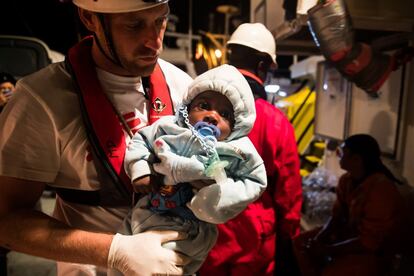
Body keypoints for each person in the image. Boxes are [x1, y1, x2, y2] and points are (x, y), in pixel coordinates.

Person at [0, 0, 195, 275]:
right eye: (134, 25)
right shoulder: (40, 100)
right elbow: (6, 220)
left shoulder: (183, 88)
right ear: (90, 18)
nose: (155, 42)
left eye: (160, 21)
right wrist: (115, 252)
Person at [111, 64, 267, 275]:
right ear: (188, 107)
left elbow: (255, 181)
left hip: (191, 226)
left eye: (224, 113)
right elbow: (141, 141)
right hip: (148, 209)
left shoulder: (238, 149)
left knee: (167, 266)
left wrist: (212, 198)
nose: (212, 116)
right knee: (120, 262)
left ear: (237, 125)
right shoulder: (168, 126)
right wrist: (140, 169)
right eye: (204, 105)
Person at [199, 23, 303, 276]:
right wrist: (291, 237)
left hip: (207, 230)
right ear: (262, 66)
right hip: (254, 241)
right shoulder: (277, 122)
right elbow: (288, 193)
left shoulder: (202, 113)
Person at [293, 134, 408, 276]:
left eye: (341, 153)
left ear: (356, 159)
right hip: (350, 236)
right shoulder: (347, 180)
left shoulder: (381, 190)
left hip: (376, 253)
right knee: (300, 243)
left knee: (333, 272)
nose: (338, 156)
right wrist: (319, 239)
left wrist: (329, 249)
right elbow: (336, 217)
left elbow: (370, 242)